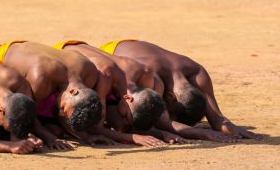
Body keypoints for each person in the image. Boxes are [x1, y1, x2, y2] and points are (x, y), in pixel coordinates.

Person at [102, 39, 262, 140]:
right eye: (168, 110)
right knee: (124, 121)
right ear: (170, 98)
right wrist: (200, 133)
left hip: (129, 43)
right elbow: (163, 122)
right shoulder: (151, 76)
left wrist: (231, 128)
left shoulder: (198, 71)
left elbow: (217, 119)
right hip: (106, 52)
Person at [0, 41, 107, 146]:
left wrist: (86, 137)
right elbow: (24, 113)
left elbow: (73, 111)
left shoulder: (90, 71)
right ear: (73, 92)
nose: (60, 112)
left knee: (56, 128)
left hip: (32, 51)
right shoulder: (40, 80)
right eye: (63, 108)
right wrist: (50, 138)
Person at [55, 40, 168, 147]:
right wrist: (133, 137)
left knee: (120, 125)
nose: (124, 120)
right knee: (60, 127)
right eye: (126, 116)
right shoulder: (105, 77)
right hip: (61, 52)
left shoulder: (146, 76)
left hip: (82, 51)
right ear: (128, 98)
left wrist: (161, 133)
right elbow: (96, 127)